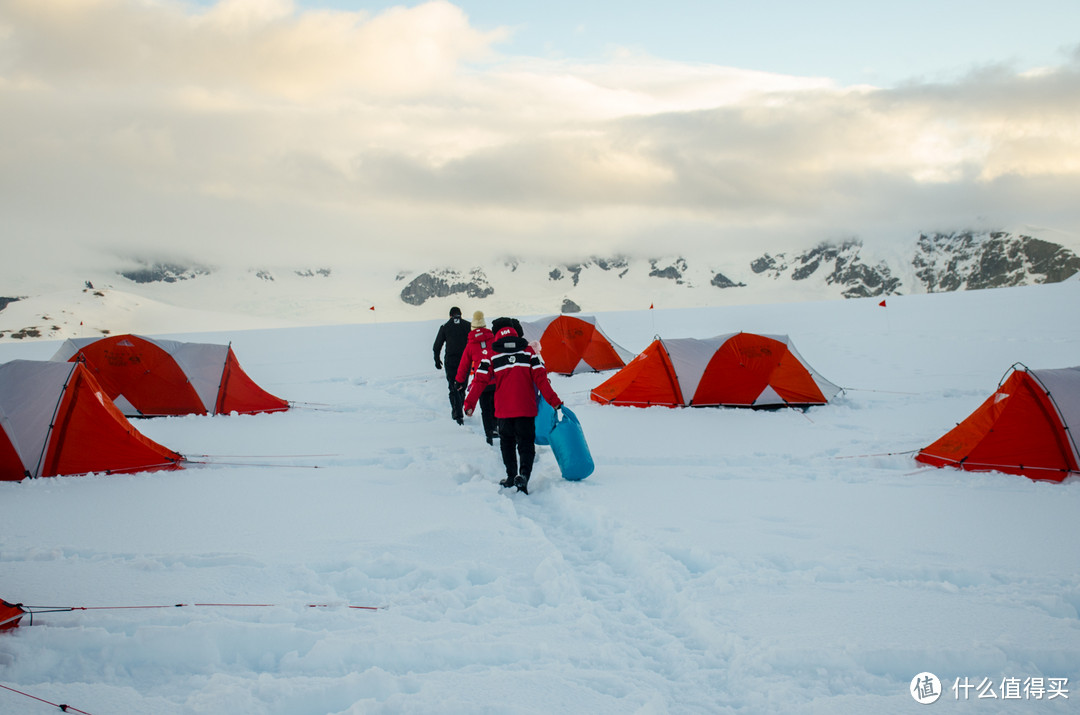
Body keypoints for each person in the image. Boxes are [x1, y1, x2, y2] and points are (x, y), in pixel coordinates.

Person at [463, 317, 562, 494]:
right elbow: (542, 379)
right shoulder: (529, 353)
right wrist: (554, 401)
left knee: (507, 444)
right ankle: (523, 476)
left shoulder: (491, 355)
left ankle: (510, 477)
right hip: (526, 408)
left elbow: (479, 380)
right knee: (526, 444)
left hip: (503, 410)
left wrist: (469, 403)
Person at [455, 310, 498, 444]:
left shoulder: (470, 345)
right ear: (485, 326)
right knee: (496, 407)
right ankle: (498, 428)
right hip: (496, 381)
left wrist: (459, 381)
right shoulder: (494, 340)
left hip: (481, 384)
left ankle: (489, 434)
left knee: (485, 409)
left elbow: (464, 365)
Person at [433, 306, 470, 424]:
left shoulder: (445, 327)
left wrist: (437, 360)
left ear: (450, 315)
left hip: (451, 361)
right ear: (461, 314)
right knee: (462, 386)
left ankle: (457, 413)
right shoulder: (468, 325)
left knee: (453, 387)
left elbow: (437, 345)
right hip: (465, 361)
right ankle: (459, 411)